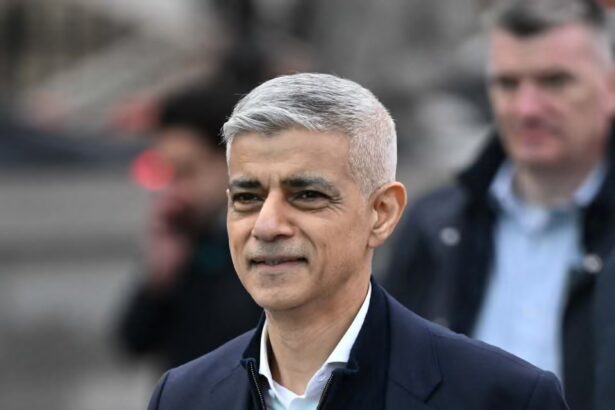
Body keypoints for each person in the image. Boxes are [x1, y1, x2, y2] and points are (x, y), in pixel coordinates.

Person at [146, 73, 567, 409]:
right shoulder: (182, 396)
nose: (267, 225)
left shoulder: (502, 397)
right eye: (248, 198)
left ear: (382, 213)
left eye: (307, 195)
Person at [383, 1, 615, 409]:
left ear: (610, 87)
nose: (527, 108)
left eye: (555, 81)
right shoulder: (434, 225)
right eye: (508, 84)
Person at [117, 83, 262, 369]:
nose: (174, 190)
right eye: (166, 173)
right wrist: (159, 279)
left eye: (188, 171)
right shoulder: (184, 239)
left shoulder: (268, 243)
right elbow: (133, 341)